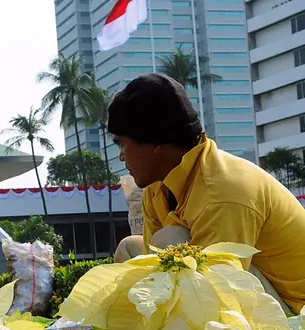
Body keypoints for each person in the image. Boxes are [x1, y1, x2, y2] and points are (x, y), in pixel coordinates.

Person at [108, 73, 305, 315]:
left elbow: (219, 296)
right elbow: (150, 272)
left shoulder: (222, 192)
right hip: (247, 287)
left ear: (155, 143)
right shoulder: (156, 189)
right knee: (133, 252)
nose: (121, 156)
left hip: (294, 312)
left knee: (172, 246)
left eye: (122, 144)